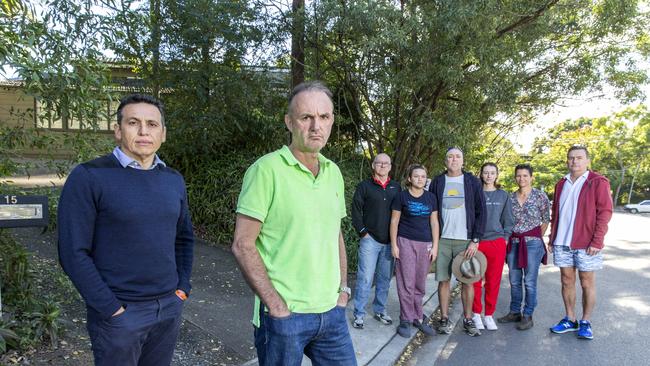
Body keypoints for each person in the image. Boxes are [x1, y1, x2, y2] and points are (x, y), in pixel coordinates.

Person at [57, 94, 195, 366]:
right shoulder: (89, 177)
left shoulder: (173, 180)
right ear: (118, 131)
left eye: (152, 124)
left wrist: (182, 288)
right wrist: (111, 308)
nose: (144, 131)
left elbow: (184, 238)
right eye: (134, 122)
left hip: (168, 308)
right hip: (120, 315)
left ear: (163, 134)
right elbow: (73, 252)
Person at [231, 81, 356, 366]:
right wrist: (276, 305)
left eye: (324, 117)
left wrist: (343, 290)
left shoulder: (333, 172)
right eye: (306, 117)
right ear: (289, 122)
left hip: (332, 314)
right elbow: (242, 244)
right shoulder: (265, 170)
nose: (316, 126)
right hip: (285, 318)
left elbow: (334, 234)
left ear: (332, 121)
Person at [548, 145, 613, 340]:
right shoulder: (561, 183)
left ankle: (585, 321)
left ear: (587, 161)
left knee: (586, 282)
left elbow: (605, 213)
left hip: (587, 243)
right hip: (562, 241)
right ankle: (570, 319)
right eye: (571, 158)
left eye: (578, 157)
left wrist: (597, 240)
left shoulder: (598, 182)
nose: (574, 161)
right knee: (566, 280)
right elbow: (556, 213)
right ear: (567, 161)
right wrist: (552, 237)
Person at [429, 147, 486, 337]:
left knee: (468, 281)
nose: (454, 159)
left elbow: (481, 212)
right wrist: (433, 241)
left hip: (466, 241)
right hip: (443, 239)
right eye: (450, 156)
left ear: (463, 160)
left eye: (458, 156)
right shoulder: (438, 181)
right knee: (443, 280)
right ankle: (444, 318)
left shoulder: (472, 182)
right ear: (445, 161)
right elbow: (432, 212)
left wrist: (475, 239)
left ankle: (468, 319)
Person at [351, 153, 401, 329]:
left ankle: (380, 310)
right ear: (373, 165)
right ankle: (359, 313)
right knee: (365, 277)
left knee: (384, 278)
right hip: (370, 240)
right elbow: (356, 210)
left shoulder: (396, 187)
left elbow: (401, 213)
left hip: (389, 241)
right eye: (379, 162)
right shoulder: (365, 186)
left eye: (386, 163)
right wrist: (363, 232)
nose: (382, 165)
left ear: (390, 166)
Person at [497, 164, 549, 330]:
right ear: (515, 177)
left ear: (531, 177)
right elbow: (505, 220)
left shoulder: (540, 197)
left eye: (525, 175)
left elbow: (546, 220)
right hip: (514, 243)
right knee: (514, 280)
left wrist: (534, 237)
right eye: (519, 176)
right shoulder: (509, 198)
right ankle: (514, 312)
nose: (522, 179)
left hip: (532, 244)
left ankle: (528, 315)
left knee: (529, 282)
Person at [390, 164, 439, 338]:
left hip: (425, 244)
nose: (420, 179)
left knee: (420, 283)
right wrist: (394, 245)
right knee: (406, 282)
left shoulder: (431, 198)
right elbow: (394, 221)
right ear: (409, 178)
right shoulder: (401, 197)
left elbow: (434, 222)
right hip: (405, 242)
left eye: (423, 176)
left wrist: (435, 245)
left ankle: (417, 317)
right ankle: (405, 319)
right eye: (416, 176)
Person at [471, 163, 514, 331]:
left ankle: (489, 315)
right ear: (481, 174)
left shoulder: (503, 195)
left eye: (492, 173)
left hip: (496, 242)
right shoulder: (475, 193)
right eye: (486, 173)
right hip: (477, 242)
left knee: (493, 280)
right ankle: (476, 314)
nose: (489, 176)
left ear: (497, 175)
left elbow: (508, 220)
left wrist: (505, 238)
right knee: (474, 279)